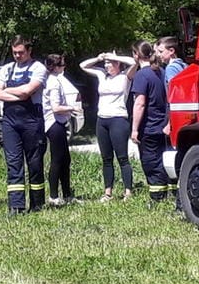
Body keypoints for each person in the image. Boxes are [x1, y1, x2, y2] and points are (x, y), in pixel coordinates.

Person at [0, 36, 48, 213]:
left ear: (29, 51)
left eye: (21, 52)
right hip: (10, 121)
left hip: (31, 120)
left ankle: (37, 204)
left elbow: (28, 91)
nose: (17, 55)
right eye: (14, 52)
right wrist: (15, 94)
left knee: (34, 162)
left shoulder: (38, 68)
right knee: (13, 162)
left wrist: (6, 90)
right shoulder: (7, 69)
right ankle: (16, 206)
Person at [82, 52, 137, 201]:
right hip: (102, 120)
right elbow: (83, 65)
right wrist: (99, 58)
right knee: (106, 158)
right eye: (106, 63)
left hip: (119, 119)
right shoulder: (101, 75)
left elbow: (133, 62)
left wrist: (116, 57)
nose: (107, 66)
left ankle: (128, 192)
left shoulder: (125, 76)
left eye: (110, 63)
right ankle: (108, 192)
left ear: (118, 64)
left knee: (122, 157)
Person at [130, 41, 173, 207]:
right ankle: (173, 195)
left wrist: (134, 129)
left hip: (149, 126)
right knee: (166, 159)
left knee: (151, 162)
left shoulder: (142, 75)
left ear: (136, 55)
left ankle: (157, 199)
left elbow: (139, 103)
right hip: (164, 124)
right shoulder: (161, 71)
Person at [42, 54, 79, 205]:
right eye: (62, 65)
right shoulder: (53, 83)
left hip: (57, 123)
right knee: (57, 159)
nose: (64, 67)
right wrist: (72, 108)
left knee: (65, 159)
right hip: (54, 123)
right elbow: (56, 108)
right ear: (55, 67)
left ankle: (67, 194)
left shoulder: (52, 80)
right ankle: (53, 196)